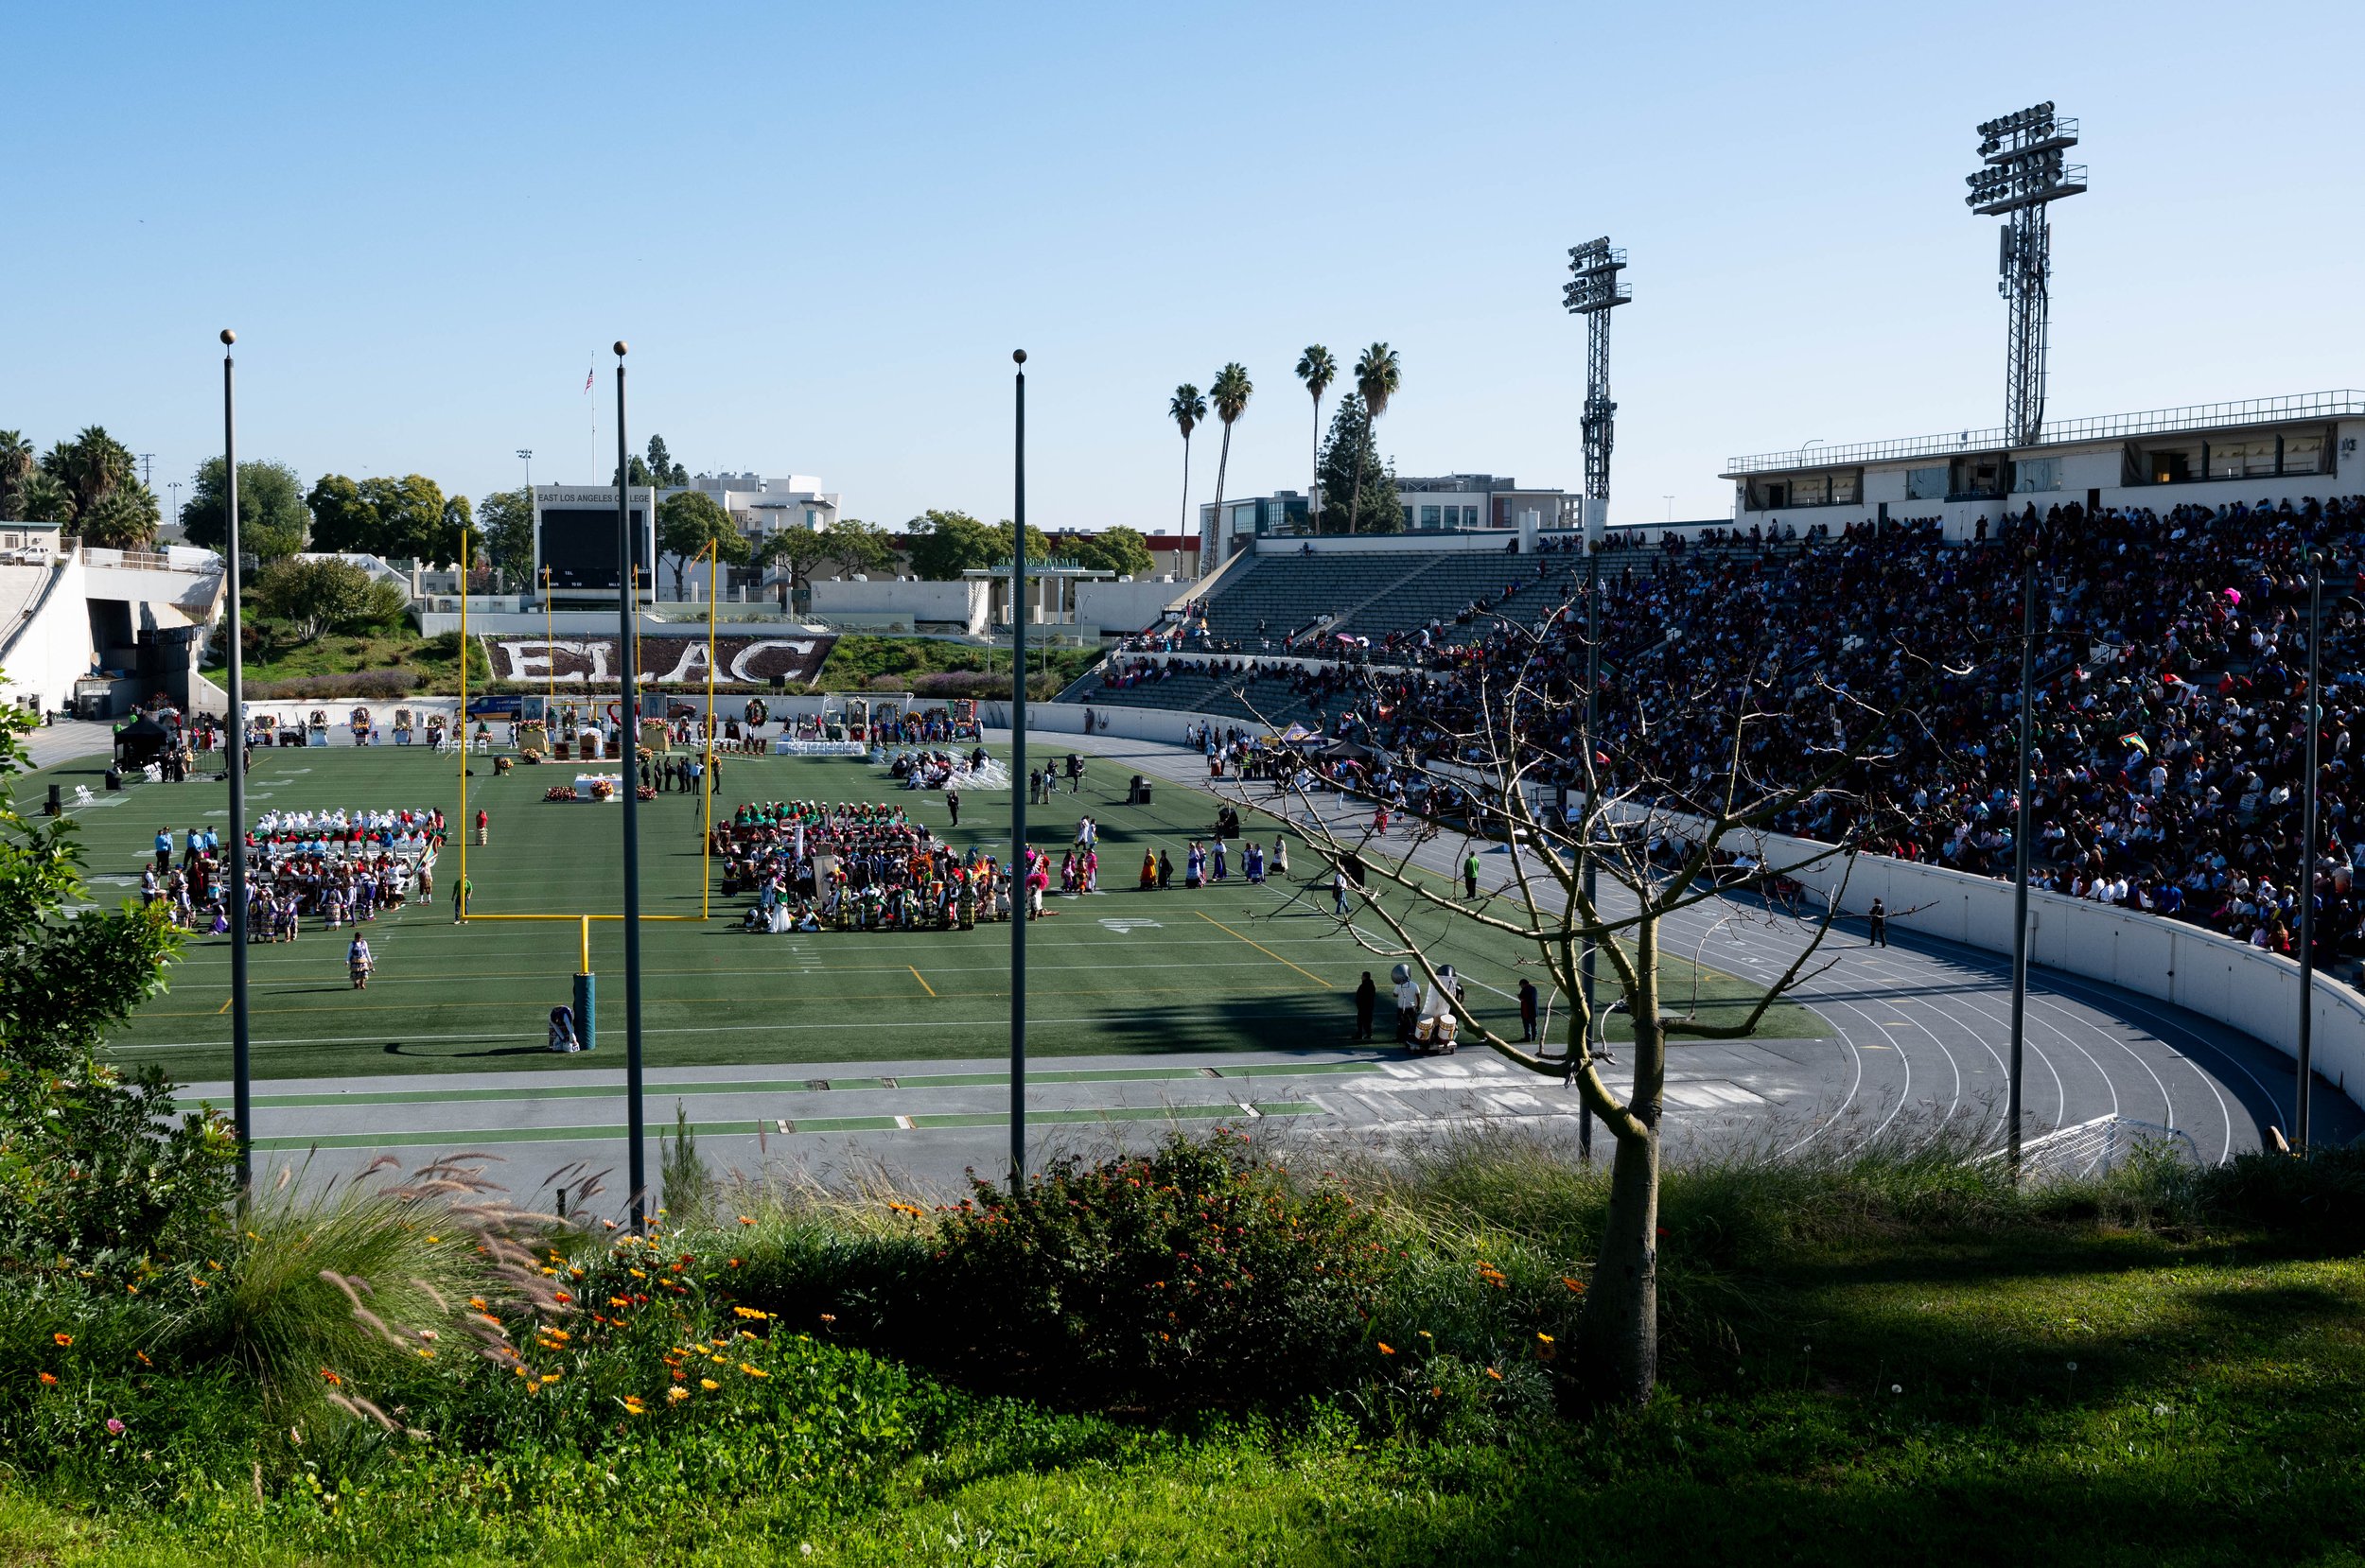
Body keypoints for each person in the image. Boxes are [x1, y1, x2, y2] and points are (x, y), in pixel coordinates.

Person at [1355, 971, 1377, 1041]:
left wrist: (1359, 1004)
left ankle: (1360, 1034)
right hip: (1369, 1006)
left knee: (1361, 1021)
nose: (1361, 977)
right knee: (1368, 1021)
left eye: (1362, 976)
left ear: (1365, 977)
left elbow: (1360, 996)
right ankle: (1368, 1034)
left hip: (1363, 1007)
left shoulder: (1364, 986)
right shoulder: (1371, 985)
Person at [1517, 978, 1538, 1042]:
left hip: (1526, 1010)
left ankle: (1528, 1037)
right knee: (1534, 1024)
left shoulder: (1525, 989)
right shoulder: (1534, 988)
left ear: (1523, 984)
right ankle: (1534, 1037)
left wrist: (1518, 996)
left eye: (1521, 985)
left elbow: (1522, 999)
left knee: (1526, 1025)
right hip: (1534, 1009)